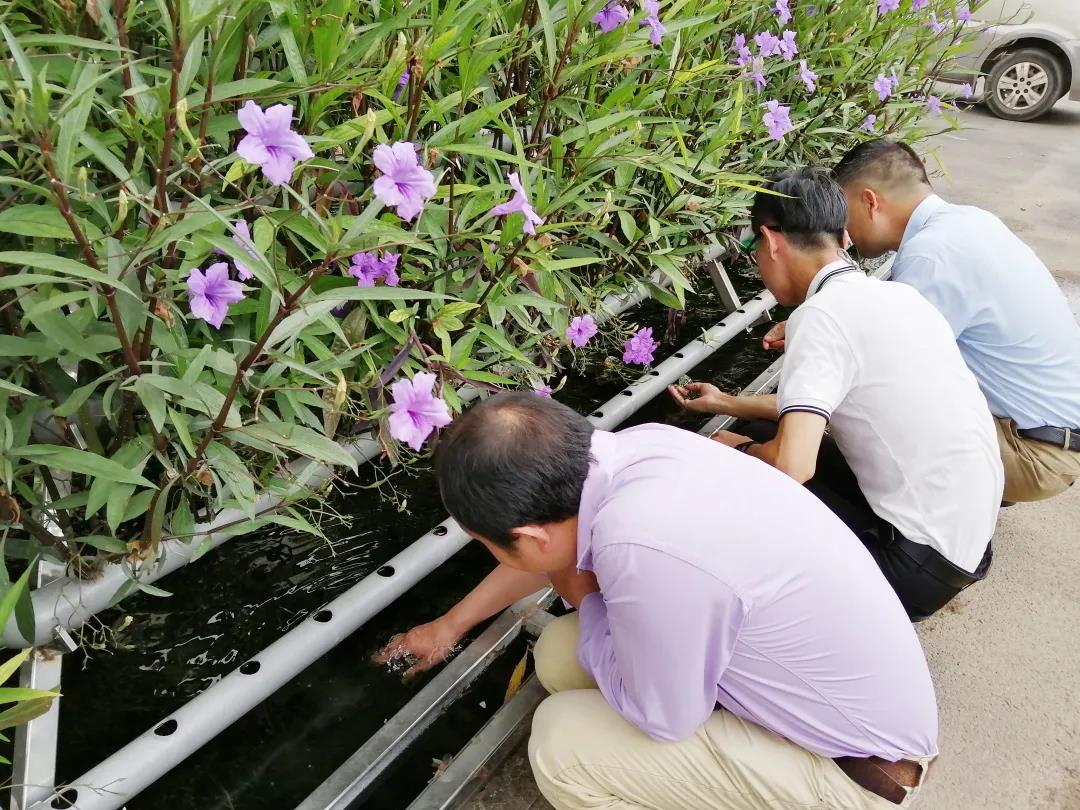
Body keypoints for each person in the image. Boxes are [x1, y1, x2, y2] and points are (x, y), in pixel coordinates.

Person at [380, 391, 938, 809]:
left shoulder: (641, 546)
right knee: (558, 653)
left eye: (491, 546)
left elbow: (665, 718)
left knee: (560, 744)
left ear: (527, 538)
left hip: (853, 774)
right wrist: (449, 625)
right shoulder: (634, 453)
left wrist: (582, 597)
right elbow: (554, 550)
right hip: (845, 709)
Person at [669, 168, 1003, 621]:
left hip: (906, 570)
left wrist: (735, 448)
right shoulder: (896, 298)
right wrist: (724, 403)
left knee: (728, 464)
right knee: (763, 429)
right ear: (843, 235)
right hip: (964, 546)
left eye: (752, 250)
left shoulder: (822, 314)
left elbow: (792, 465)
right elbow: (815, 414)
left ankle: (740, 627)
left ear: (770, 241)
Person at [827, 139, 1078, 502]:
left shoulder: (932, 256)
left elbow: (880, 369)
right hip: (1056, 439)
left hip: (1034, 456)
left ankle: (923, 540)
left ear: (869, 201)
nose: (843, 235)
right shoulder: (969, 223)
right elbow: (881, 318)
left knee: (876, 409)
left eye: (843, 214)